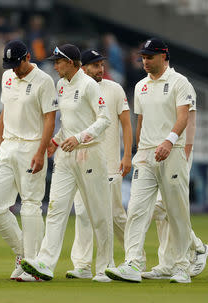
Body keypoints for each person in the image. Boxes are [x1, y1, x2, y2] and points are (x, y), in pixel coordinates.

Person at [21, 44, 114, 282]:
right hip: (65, 155)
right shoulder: (61, 85)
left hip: (90, 153)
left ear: (72, 63)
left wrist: (80, 138)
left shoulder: (89, 86)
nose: (55, 66)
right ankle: (45, 263)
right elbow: (69, 123)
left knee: (98, 213)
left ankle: (104, 267)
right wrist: (56, 140)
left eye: (58, 62)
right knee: (55, 208)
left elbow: (104, 120)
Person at [105, 38, 194, 283]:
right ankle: (133, 263)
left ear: (163, 56)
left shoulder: (180, 82)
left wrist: (169, 141)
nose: (145, 61)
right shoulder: (141, 86)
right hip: (146, 155)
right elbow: (141, 122)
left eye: (150, 57)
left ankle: (182, 266)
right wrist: (136, 152)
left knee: (176, 211)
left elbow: (183, 117)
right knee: (135, 209)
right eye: (143, 57)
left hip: (172, 152)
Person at [0, 40, 57, 282]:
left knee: (31, 205)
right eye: (10, 65)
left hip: (31, 146)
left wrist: (41, 150)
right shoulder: (8, 77)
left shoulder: (44, 81)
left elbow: (50, 119)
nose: (14, 69)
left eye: (17, 64)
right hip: (8, 145)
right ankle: (24, 255)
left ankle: (34, 265)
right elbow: (6, 110)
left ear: (28, 57)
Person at [66, 49, 132, 280]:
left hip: (109, 161)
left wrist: (127, 156)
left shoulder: (114, 89)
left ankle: (135, 257)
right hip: (82, 161)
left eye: (102, 64)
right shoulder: (76, 88)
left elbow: (125, 123)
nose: (100, 69)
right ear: (83, 68)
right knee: (83, 214)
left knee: (114, 216)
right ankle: (83, 265)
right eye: (95, 65)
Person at [143, 81, 208, 280]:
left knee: (163, 205)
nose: (145, 62)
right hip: (156, 149)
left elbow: (190, 120)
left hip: (177, 150)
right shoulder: (149, 85)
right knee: (160, 208)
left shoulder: (180, 84)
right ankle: (168, 263)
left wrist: (186, 151)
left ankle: (197, 248)